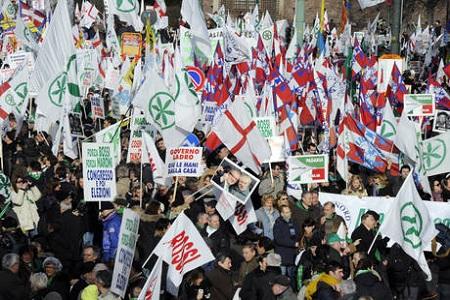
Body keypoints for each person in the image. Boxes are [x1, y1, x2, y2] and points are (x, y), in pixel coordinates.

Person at [273, 205, 300, 287]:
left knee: (291, 276)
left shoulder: (294, 222)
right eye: (286, 212)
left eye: (289, 212)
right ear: (282, 214)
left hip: (292, 255)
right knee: (282, 277)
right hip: (282, 255)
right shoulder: (278, 224)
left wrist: (297, 242)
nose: (289, 214)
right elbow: (278, 239)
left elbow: (298, 233)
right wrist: (292, 243)